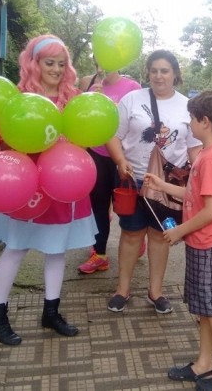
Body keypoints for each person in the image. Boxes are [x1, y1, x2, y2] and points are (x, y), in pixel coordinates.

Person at [0, 35, 98, 345]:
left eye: (61, 63)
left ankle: (51, 311)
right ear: (35, 63)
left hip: (63, 184)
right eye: (49, 63)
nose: (56, 69)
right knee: (15, 248)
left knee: (57, 250)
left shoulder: (73, 97)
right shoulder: (20, 97)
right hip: (26, 186)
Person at [144, 90, 212, 391]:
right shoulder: (206, 153)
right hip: (203, 241)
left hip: (210, 242)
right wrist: (163, 185)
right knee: (204, 306)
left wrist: (180, 230)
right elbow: (194, 194)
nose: (189, 123)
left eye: (191, 118)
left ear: (205, 121)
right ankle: (205, 364)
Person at [105, 49, 202, 314]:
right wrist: (119, 161)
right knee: (131, 233)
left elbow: (194, 146)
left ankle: (155, 291)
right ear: (148, 73)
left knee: (161, 236)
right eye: (154, 70)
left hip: (169, 186)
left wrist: (205, 168)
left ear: (175, 75)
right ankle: (122, 289)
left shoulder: (187, 106)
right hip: (133, 180)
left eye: (165, 71)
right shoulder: (131, 100)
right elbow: (113, 136)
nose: (159, 76)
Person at [77, 61, 141, 274]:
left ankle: (136, 239)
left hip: (123, 155)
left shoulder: (131, 87)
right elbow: (78, 116)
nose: (103, 63)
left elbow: (138, 121)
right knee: (98, 205)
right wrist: (90, 98)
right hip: (97, 152)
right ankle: (100, 253)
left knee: (125, 204)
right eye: (98, 59)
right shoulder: (88, 82)